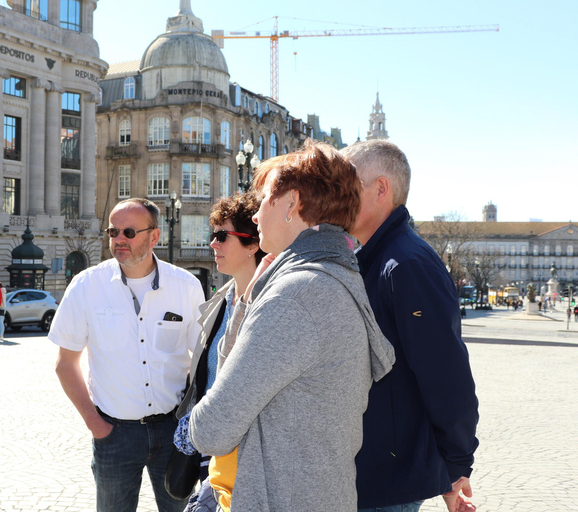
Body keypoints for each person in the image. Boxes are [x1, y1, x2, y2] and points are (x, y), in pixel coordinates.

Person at [189, 140, 395, 511]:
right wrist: (250, 302)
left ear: (291, 204)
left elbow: (210, 430)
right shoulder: (339, 277)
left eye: (265, 197)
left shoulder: (294, 297)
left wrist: (250, 305)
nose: (255, 215)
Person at [341, 139, 480, 512]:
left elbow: (446, 375)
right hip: (373, 471)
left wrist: (454, 465)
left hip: (389, 480)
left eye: (347, 186)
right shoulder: (377, 258)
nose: (338, 198)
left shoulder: (406, 264)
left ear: (381, 189)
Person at [49, 197, 205, 512]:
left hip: (174, 430)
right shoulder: (86, 286)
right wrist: (95, 424)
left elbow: (201, 361)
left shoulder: (186, 286)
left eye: (129, 232)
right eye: (113, 232)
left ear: (154, 237)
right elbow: (66, 365)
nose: (119, 239)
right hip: (114, 433)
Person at [173, 193, 265, 510]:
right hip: (210, 450)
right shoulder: (219, 302)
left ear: (253, 243)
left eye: (223, 236)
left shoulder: (270, 306)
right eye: (213, 235)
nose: (213, 244)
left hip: (247, 460)